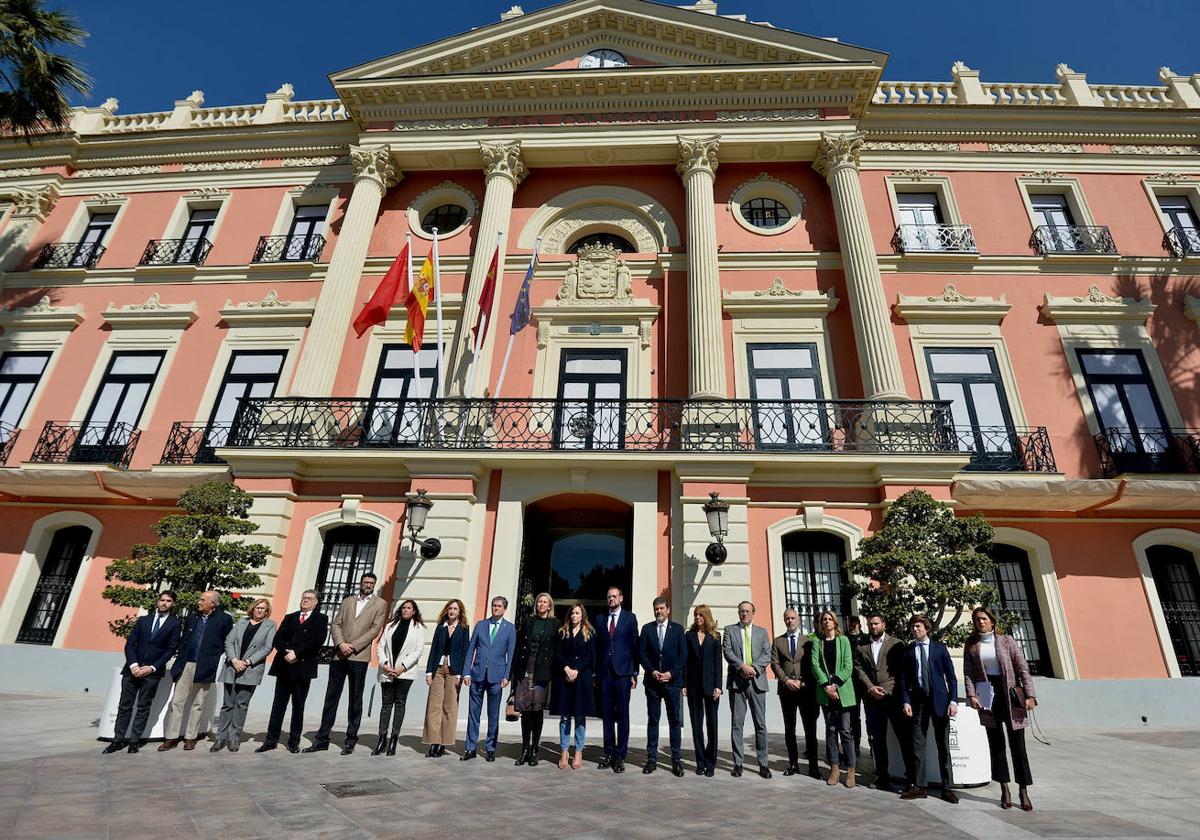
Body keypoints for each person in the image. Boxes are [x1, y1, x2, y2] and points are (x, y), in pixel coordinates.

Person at [964, 606, 1038, 812]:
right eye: (977, 619)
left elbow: (1023, 668)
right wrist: (971, 695)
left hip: (1011, 695)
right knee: (996, 745)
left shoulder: (1007, 641)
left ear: (992, 621)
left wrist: (1030, 695)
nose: (981, 622)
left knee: (1018, 745)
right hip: (988, 694)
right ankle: (1004, 788)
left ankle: (1023, 789)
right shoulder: (971, 644)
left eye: (984, 618)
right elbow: (968, 673)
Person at [307, 572, 388, 754]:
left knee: (355, 699)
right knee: (331, 698)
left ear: (374, 585)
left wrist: (353, 646)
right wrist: (341, 644)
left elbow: (375, 629)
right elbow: (336, 624)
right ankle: (322, 738)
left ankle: (351, 739)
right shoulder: (347, 601)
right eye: (366, 582)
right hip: (339, 655)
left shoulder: (380, 604)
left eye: (371, 583)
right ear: (360, 583)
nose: (368, 585)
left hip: (359, 656)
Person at [104, 590, 180, 754]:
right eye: (162, 600)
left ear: (172, 604)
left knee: (143, 707)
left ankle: (134, 742)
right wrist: (133, 665)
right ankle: (117, 740)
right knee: (125, 706)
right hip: (132, 670)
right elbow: (130, 643)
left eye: (168, 601)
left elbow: (170, 649)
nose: (164, 603)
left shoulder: (174, 624)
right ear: (157, 602)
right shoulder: (143, 620)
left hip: (152, 673)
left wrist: (151, 667)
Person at [160, 590, 233, 751]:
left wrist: (213, 657)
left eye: (202, 600)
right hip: (186, 664)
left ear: (212, 603)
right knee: (177, 702)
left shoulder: (224, 619)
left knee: (198, 704)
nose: (198, 602)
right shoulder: (192, 618)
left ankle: (190, 737)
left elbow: (226, 642)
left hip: (206, 666)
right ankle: (171, 738)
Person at [257, 589, 328, 753]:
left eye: (309, 598)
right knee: (278, 705)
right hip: (284, 666)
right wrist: (285, 653)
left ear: (316, 602)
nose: (305, 601)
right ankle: (271, 740)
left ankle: (293, 741)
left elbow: (317, 640)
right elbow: (278, 638)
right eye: (303, 598)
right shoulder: (290, 617)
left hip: (303, 667)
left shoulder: (321, 619)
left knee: (298, 706)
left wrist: (297, 653)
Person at [899, 614, 959, 803]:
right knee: (918, 744)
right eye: (912, 626)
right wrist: (906, 701)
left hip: (940, 703)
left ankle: (947, 786)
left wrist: (953, 700)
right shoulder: (909, 651)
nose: (914, 629)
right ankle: (920, 786)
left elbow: (951, 677)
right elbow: (903, 680)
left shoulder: (939, 649)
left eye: (917, 626)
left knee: (943, 746)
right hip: (918, 703)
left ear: (926, 628)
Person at [852, 612, 908, 792]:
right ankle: (882, 775)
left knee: (902, 736)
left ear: (883, 624)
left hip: (892, 697)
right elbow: (858, 668)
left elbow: (900, 671)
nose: (873, 627)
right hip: (872, 699)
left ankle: (911, 777)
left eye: (876, 624)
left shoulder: (897, 644)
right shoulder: (862, 646)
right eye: (870, 624)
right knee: (878, 739)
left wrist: (887, 690)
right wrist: (870, 687)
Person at [213, 598, 276, 752]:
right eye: (257, 608)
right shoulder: (242, 622)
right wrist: (234, 660)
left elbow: (267, 647)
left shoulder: (270, 625)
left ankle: (234, 737)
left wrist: (247, 661)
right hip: (232, 667)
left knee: (241, 704)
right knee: (227, 704)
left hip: (250, 669)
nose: (260, 610)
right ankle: (220, 737)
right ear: (252, 609)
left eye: (263, 608)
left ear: (267, 611)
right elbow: (229, 641)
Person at [462, 595, 516, 762]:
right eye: (494, 605)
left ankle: (491, 748)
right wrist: (467, 672)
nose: (496, 608)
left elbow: (511, 655)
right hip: (477, 675)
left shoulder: (510, 628)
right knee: (473, 714)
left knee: (493, 715)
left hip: (496, 678)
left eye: (499, 606)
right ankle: (470, 748)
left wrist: (507, 676)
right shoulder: (481, 625)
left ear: (505, 609)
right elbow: (471, 650)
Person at [722, 600, 772, 778]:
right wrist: (742, 666)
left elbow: (767, 654)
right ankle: (738, 763)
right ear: (738, 613)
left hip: (757, 682)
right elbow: (727, 652)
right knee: (737, 725)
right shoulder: (729, 630)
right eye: (742, 611)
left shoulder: (762, 632)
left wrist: (754, 669)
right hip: (737, 683)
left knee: (760, 725)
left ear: (753, 613)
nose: (744, 614)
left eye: (748, 611)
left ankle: (763, 764)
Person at [638, 596, 686, 776]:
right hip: (652, 683)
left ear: (668, 610)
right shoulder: (647, 629)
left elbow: (683, 656)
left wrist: (672, 673)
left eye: (661, 608)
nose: (658, 612)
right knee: (653, 720)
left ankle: (676, 761)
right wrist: (651, 671)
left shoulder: (678, 630)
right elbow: (642, 653)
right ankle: (651, 760)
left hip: (672, 684)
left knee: (674, 721)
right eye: (656, 609)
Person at [811, 610, 858, 787]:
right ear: (821, 623)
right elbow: (815, 665)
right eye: (824, 620)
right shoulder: (817, 642)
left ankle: (851, 770)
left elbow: (848, 666)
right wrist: (827, 687)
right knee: (831, 730)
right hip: (826, 692)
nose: (827, 622)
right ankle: (835, 768)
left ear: (835, 623)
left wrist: (835, 685)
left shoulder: (843, 640)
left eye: (830, 619)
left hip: (843, 692)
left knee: (845, 730)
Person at [594, 586, 638, 773]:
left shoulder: (630, 618)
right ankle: (609, 753)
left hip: (623, 673)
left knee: (623, 715)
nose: (611, 599)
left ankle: (621, 755)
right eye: (608, 597)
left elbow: (635, 645)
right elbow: (597, 648)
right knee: (607, 716)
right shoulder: (600, 619)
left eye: (614, 596)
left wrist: (635, 673)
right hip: (605, 674)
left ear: (621, 598)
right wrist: (595, 673)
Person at [374, 598, 426, 756]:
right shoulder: (390, 625)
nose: (405, 610)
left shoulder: (418, 628)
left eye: (409, 608)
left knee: (400, 704)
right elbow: (380, 646)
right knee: (386, 705)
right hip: (387, 670)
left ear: (414, 611)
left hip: (405, 672)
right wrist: (385, 664)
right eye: (403, 607)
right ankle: (382, 738)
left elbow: (418, 651)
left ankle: (394, 739)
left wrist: (401, 668)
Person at [511, 592, 556, 766]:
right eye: (539, 602)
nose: (541, 604)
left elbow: (555, 650)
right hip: (525, 668)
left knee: (537, 710)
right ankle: (524, 750)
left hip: (542, 671)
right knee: (525, 710)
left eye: (545, 602)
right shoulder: (528, 621)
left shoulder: (554, 624)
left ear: (549, 606)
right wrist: (513, 672)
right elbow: (518, 647)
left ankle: (535, 749)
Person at [422, 598, 469, 758]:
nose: (452, 611)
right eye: (450, 608)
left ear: (460, 611)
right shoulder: (440, 627)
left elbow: (465, 652)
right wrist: (429, 671)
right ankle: (433, 742)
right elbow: (434, 648)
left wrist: (461, 674)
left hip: (454, 671)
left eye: (455, 609)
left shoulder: (464, 629)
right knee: (434, 706)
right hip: (438, 668)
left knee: (449, 707)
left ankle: (443, 743)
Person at [552, 602, 595, 770]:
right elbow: (558, 653)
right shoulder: (562, 632)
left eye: (577, 613)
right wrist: (566, 668)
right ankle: (564, 751)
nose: (574, 616)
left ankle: (578, 751)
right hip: (564, 678)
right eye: (572, 613)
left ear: (582, 615)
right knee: (564, 717)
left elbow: (591, 655)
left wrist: (578, 670)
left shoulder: (589, 633)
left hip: (581, 679)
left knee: (580, 716)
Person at [770, 607, 809, 777]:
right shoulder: (778, 641)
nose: (790, 621)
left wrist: (802, 682)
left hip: (805, 690)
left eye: (793, 618)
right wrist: (786, 680)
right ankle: (793, 764)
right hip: (786, 690)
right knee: (789, 728)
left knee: (809, 727)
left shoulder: (808, 641)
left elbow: (811, 664)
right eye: (787, 618)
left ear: (798, 619)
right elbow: (774, 663)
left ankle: (813, 766)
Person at [684, 604, 722, 777]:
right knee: (696, 725)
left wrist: (718, 686)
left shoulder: (715, 637)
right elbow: (685, 662)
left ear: (707, 616)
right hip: (693, 686)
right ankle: (700, 761)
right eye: (695, 615)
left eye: (700, 614)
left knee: (712, 725)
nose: (697, 617)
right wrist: (684, 684)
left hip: (711, 686)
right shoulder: (689, 636)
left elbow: (718, 664)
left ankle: (710, 762)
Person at [846, 615, 866, 756]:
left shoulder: (866, 639)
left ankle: (872, 744)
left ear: (859, 624)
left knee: (871, 716)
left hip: (865, 682)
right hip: (851, 683)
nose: (852, 626)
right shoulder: (844, 638)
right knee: (854, 716)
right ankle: (856, 745)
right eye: (850, 624)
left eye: (855, 624)